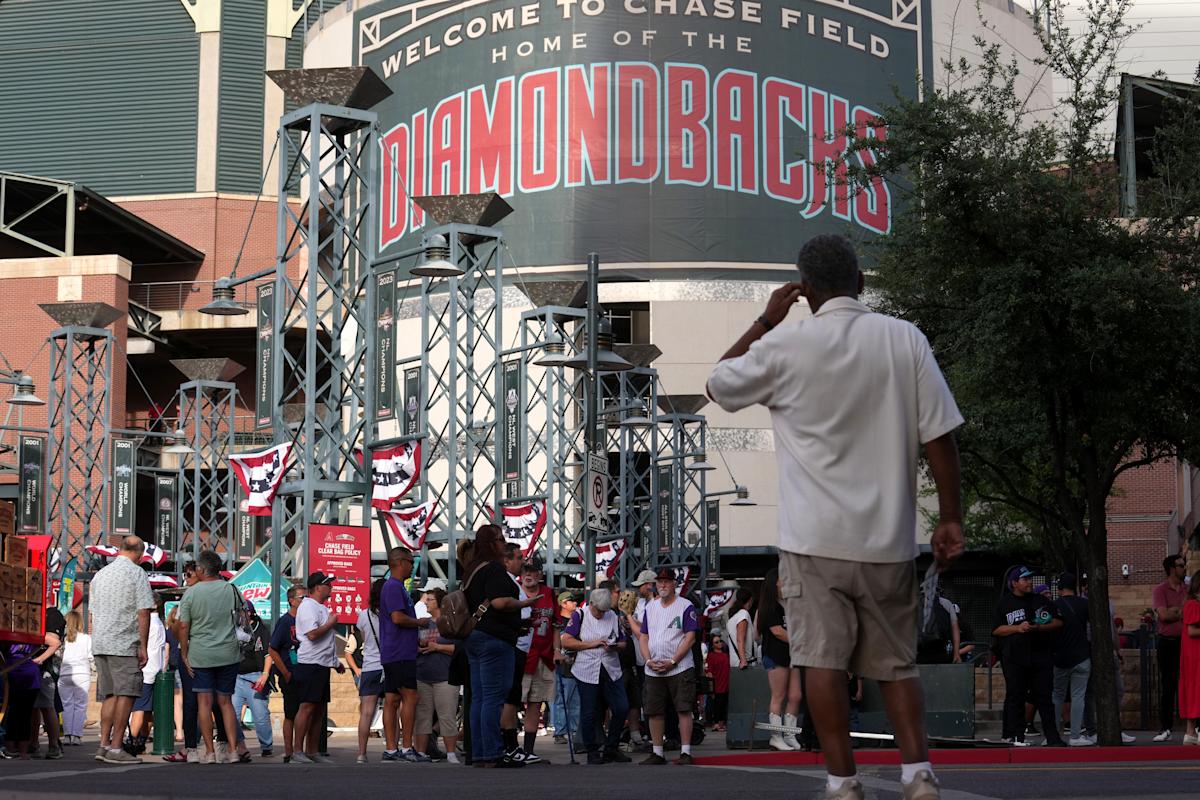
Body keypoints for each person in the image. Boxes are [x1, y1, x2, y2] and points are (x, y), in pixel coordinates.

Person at [706, 235, 966, 800]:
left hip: (812, 541)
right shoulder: (904, 339)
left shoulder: (785, 345)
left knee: (819, 662)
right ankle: (917, 773)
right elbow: (940, 435)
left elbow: (717, 384)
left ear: (802, 292)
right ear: (862, 284)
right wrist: (950, 517)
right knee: (896, 666)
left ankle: (842, 780)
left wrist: (762, 323)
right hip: (888, 540)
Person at [463, 523, 538, 768]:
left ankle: (479, 753)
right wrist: (525, 604)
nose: (504, 543)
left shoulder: (472, 568)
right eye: (501, 539)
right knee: (493, 697)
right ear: (493, 543)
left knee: (480, 699)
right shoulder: (494, 568)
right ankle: (494, 752)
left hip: (475, 637)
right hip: (494, 640)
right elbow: (498, 603)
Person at [88, 534, 157, 765]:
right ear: (139, 553)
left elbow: (93, 611)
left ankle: (104, 745)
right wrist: (144, 646)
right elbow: (144, 611)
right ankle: (117, 747)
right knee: (126, 694)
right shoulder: (136, 573)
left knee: (109, 695)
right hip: (124, 643)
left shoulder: (100, 575)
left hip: (100, 642)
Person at [178, 550, 246, 764]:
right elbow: (243, 618)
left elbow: (183, 625)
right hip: (229, 652)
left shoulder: (191, 593)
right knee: (226, 702)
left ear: (201, 569)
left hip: (201, 653)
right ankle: (233, 750)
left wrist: (184, 653)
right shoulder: (232, 589)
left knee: (204, 703)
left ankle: (209, 752)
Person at [993, 565, 1066, 748]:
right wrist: (1018, 628)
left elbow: (1058, 622)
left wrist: (1038, 627)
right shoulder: (1004, 603)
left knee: (1044, 697)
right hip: (1015, 658)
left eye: (1029, 579)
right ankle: (1016, 737)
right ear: (1014, 583)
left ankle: (1052, 738)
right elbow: (997, 629)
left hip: (1041, 656)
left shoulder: (1040, 600)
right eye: (1025, 579)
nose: (1029, 582)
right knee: (1015, 695)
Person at [637, 568, 700, 766]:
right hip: (653, 666)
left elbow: (690, 637)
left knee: (683, 708)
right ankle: (657, 752)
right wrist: (647, 660)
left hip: (679, 666)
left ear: (674, 584)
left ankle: (686, 751)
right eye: (659, 582)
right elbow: (644, 635)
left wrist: (674, 660)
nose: (662, 585)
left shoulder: (685, 606)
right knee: (654, 710)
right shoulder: (650, 607)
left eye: (667, 581)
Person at [561, 587, 630, 764]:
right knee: (589, 711)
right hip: (587, 668)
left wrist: (614, 646)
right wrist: (592, 644)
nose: (601, 614)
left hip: (610, 668)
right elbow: (567, 640)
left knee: (621, 708)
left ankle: (611, 748)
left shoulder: (613, 616)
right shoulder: (579, 615)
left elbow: (623, 642)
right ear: (591, 604)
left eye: (604, 611)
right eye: (598, 610)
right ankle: (591, 750)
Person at [379, 547, 429, 763]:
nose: (412, 566)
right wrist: (418, 622)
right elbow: (398, 618)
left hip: (396, 650)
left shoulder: (396, 587)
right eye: (410, 561)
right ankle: (407, 747)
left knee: (391, 699)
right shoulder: (393, 586)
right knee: (410, 697)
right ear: (400, 562)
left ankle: (392, 749)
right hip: (400, 653)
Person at [292, 571, 343, 763]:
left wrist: (335, 663)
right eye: (328, 584)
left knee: (319, 709)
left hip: (321, 664)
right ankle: (298, 751)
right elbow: (312, 635)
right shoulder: (308, 607)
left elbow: (326, 642)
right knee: (307, 707)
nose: (331, 587)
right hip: (310, 664)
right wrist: (330, 623)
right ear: (318, 587)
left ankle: (312, 751)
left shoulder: (320, 607)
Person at [758, 566, 802, 751]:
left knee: (796, 695)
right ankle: (776, 736)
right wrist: (799, 640)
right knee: (779, 696)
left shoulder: (789, 604)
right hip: (776, 654)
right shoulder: (769, 606)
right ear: (774, 582)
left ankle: (790, 734)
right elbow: (777, 632)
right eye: (783, 578)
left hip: (793, 654)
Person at [415, 588, 462, 764]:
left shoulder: (450, 624)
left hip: (445, 675)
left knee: (447, 715)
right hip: (422, 674)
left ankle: (450, 753)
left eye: (430, 600)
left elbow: (459, 649)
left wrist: (438, 647)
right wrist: (418, 648)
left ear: (440, 603)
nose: (426, 603)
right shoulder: (423, 623)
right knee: (422, 716)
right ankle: (420, 752)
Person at [519, 560, 558, 762]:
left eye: (533, 571)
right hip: (521, 655)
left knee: (536, 703)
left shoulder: (549, 593)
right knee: (509, 702)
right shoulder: (514, 589)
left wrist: (557, 650)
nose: (529, 574)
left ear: (540, 573)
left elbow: (556, 625)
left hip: (543, 656)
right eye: (526, 570)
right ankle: (504, 747)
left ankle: (528, 751)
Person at [500, 543, 536, 763]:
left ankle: (511, 746)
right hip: (513, 645)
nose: (522, 562)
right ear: (507, 560)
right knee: (509, 699)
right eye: (519, 557)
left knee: (512, 699)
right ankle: (510, 746)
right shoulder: (506, 582)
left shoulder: (513, 582)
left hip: (520, 646)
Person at [1051, 572, 1093, 746]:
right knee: (1078, 696)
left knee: (1057, 696)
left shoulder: (1053, 605)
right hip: (1081, 655)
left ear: (1059, 588)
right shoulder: (1085, 604)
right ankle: (1075, 735)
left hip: (1060, 656)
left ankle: (1052, 735)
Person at [268, 585, 307, 762]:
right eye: (302, 598)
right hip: (290, 673)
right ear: (291, 601)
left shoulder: (307, 620)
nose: (305, 601)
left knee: (305, 712)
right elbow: (273, 649)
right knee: (291, 713)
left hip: (305, 672)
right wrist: (285, 673)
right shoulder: (285, 622)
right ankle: (289, 751)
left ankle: (302, 749)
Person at [231, 602, 274, 758]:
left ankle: (266, 746)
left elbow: (269, 654)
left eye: (241, 612)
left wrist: (265, 674)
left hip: (255, 675)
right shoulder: (234, 629)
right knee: (232, 714)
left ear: (250, 613)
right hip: (236, 676)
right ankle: (238, 745)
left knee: (260, 715)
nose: (239, 614)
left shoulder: (260, 629)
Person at [1153, 554, 1188, 742]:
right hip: (1167, 642)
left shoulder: (1189, 589)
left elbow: (1192, 614)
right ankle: (1165, 727)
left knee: (1191, 683)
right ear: (1172, 569)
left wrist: (1176, 610)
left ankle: (1195, 727)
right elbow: (1164, 616)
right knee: (1168, 685)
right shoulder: (1160, 590)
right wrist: (1181, 612)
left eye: (1184, 565)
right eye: (1181, 565)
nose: (1184, 568)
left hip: (1186, 642)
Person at [127, 597, 167, 756]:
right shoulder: (160, 624)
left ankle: (132, 742)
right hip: (156, 670)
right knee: (148, 711)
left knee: (139, 709)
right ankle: (141, 742)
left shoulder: (148, 623)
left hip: (144, 670)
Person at [353, 578, 385, 764]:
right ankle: (391, 748)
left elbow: (364, 638)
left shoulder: (363, 615)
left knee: (366, 712)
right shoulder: (390, 614)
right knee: (391, 709)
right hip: (388, 666)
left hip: (369, 667)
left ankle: (361, 753)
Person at [31, 603, 66, 759]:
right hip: (36, 667)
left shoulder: (52, 614)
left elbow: (54, 642)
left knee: (46, 706)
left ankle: (53, 745)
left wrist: (39, 660)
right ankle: (34, 743)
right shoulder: (37, 611)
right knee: (34, 707)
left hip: (47, 668)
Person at [551, 590, 582, 747]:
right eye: (571, 601)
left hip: (577, 665)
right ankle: (560, 732)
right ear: (563, 604)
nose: (575, 603)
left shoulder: (578, 619)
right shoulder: (559, 621)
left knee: (576, 700)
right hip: (563, 666)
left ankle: (575, 730)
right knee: (562, 700)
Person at [58, 610, 93, 746]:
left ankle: (67, 735)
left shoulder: (63, 639)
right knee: (80, 705)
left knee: (67, 705)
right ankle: (77, 736)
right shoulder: (86, 638)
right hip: (82, 673)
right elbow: (91, 657)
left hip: (65, 673)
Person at [2, 640, 40, 758]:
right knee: (23, 714)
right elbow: (55, 642)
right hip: (27, 672)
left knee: (13, 714)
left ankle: (12, 748)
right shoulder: (32, 633)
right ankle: (22, 751)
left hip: (12, 672)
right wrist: (39, 659)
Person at [1179, 570, 1200, 745]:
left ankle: (1190, 732)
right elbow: (1192, 631)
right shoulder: (1193, 604)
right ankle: (1192, 731)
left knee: (1194, 691)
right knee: (1195, 690)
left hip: (1193, 655)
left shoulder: (1191, 603)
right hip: (1195, 655)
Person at [724, 586, 756, 670]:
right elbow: (740, 639)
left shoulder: (733, 617)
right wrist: (743, 660)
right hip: (743, 663)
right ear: (750, 600)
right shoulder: (743, 614)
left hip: (735, 662)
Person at [705, 636, 730, 732]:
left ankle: (721, 723)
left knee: (724, 704)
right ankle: (716, 723)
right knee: (717, 704)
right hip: (717, 684)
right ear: (712, 645)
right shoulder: (711, 655)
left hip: (726, 683)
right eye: (716, 642)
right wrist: (711, 688)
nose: (719, 643)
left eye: (720, 641)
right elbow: (709, 672)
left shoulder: (726, 654)